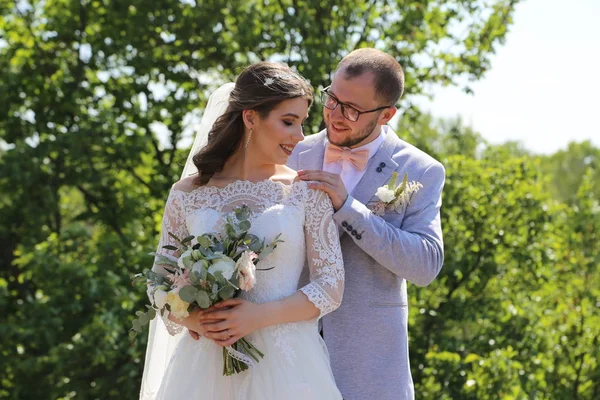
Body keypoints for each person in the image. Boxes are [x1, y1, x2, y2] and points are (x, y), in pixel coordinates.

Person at [139, 62, 344, 400]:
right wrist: (195, 320)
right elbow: (159, 280)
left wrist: (257, 317)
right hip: (203, 367)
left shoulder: (306, 191)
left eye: (302, 123)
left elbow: (331, 286)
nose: (300, 136)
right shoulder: (187, 193)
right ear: (251, 118)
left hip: (289, 369)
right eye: (288, 122)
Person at [289, 48, 445, 400]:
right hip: (287, 354)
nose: (336, 115)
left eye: (353, 110)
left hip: (369, 371)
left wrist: (349, 207)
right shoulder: (290, 152)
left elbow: (425, 265)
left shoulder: (418, 171)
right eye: (332, 99)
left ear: (387, 114)